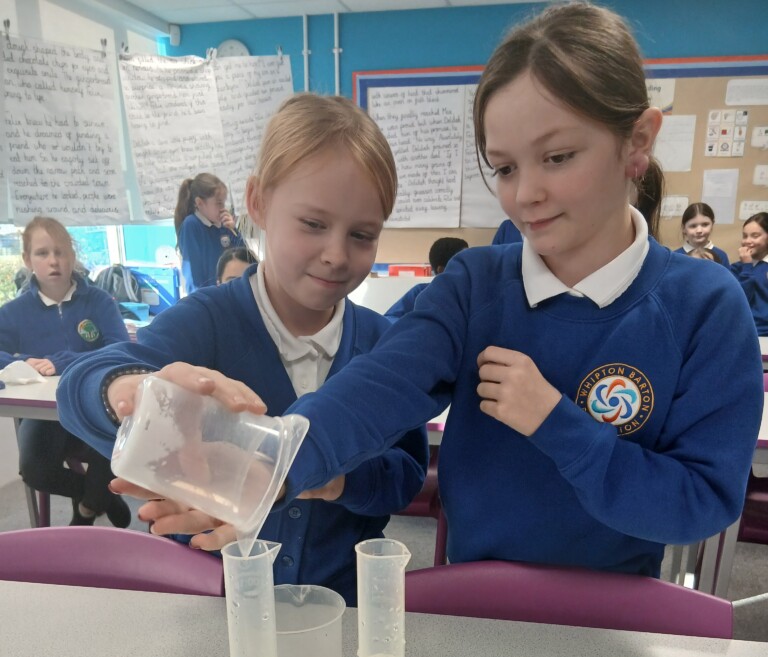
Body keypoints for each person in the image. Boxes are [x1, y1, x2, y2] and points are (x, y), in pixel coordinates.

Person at [61, 3, 762, 581]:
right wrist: (267, 466)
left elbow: (700, 502)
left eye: (557, 158)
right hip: (470, 605)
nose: (526, 195)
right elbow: (378, 387)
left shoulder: (703, 306)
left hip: (615, 614)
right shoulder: (476, 287)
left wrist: (557, 423)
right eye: (504, 168)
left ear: (637, 141)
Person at [57, 94, 427, 604]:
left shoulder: (383, 345)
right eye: (313, 224)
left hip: (343, 607)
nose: (337, 254)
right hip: (209, 604)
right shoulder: (207, 321)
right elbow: (81, 384)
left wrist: (332, 478)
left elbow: (406, 477)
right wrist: (131, 389)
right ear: (258, 204)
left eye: (362, 234)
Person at [0, 217, 132, 527]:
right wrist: (24, 360)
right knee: (34, 471)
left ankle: (85, 512)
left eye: (60, 252)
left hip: (93, 405)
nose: (54, 261)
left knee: (113, 445)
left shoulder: (99, 302)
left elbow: (120, 350)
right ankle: (101, 497)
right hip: (44, 413)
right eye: (42, 253)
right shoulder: (13, 312)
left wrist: (64, 360)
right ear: (27, 260)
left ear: (72, 256)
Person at [175, 173, 246, 293]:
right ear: (200, 203)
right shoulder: (191, 225)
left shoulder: (224, 225)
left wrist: (234, 231)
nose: (223, 208)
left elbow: (244, 258)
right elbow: (193, 276)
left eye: (224, 203)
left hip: (228, 293)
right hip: (206, 299)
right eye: (219, 203)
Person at [385, 236, 468, 320]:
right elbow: (389, 319)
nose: (470, 268)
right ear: (442, 270)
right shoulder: (420, 291)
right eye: (463, 264)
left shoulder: (472, 296)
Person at [731, 212, 768, 336]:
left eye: (755, 236)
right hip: (743, 330)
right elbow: (740, 300)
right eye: (745, 236)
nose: (748, 241)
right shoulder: (736, 268)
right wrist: (747, 266)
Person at [673, 202, 730, 268]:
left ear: (712, 225)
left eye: (705, 225)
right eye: (693, 226)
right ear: (684, 228)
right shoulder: (675, 256)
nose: (699, 230)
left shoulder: (721, 255)